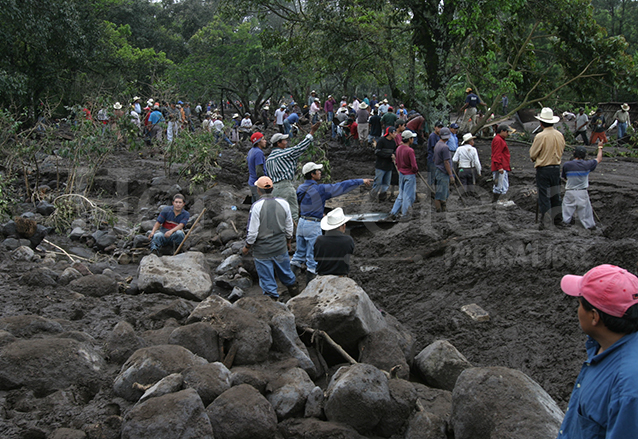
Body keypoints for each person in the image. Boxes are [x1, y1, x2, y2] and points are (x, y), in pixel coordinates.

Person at [558, 264, 638, 438]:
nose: (577, 310)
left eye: (579, 304)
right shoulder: (604, 346)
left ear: (594, 316)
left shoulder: (629, 386)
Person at [291, 162, 371, 282]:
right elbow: (341, 186)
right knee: (312, 260)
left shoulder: (301, 188)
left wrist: (317, 211)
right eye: (317, 171)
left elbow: (306, 203)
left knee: (298, 255)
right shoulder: (320, 189)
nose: (320, 172)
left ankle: (289, 282)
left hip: (302, 223)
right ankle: (309, 289)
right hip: (313, 224)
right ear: (312, 174)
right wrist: (360, 181)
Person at [242, 177, 299, 300]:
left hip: (262, 251)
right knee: (286, 272)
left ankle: (272, 301)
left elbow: (252, 232)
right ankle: (295, 293)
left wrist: (247, 247)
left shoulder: (256, 206)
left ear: (258, 190)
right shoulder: (283, 203)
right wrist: (288, 242)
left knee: (267, 278)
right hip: (280, 246)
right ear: (272, 189)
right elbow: (289, 227)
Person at [265, 122, 321, 223]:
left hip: (274, 189)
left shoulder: (268, 159)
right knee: (292, 213)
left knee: (279, 214)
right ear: (278, 143)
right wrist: (312, 132)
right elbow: (300, 148)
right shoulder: (284, 154)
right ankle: (293, 235)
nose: (286, 142)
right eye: (284, 140)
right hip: (285, 187)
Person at [530, 107, 565, 229]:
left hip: (544, 169)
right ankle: (558, 220)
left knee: (544, 196)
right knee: (556, 195)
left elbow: (533, 154)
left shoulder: (540, 136)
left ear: (541, 123)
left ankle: (546, 221)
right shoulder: (560, 135)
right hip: (556, 168)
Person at [561, 142, 603, 229]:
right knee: (586, 212)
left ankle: (564, 224)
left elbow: (565, 177)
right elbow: (599, 159)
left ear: (574, 154)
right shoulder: (588, 164)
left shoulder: (567, 165)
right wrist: (600, 147)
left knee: (566, 210)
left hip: (570, 191)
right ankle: (590, 226)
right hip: (582, 192)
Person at [314, 208, 356, 277]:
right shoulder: (348, 240)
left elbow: (316, 258)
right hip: (341, 277)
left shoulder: (319, 240)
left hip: (322, 276)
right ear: (343, 226)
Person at [390, 130, 418, 220]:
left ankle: (394, 212)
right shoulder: (410, 150)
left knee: (401, 195)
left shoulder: (398, 148)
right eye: (412, 138)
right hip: (409, 174)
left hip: (401, 174)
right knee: (408, 196)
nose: (413, 139)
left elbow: (397, 162)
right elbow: (414, 165)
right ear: (409, 139)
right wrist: (415, 170)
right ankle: (405, 214)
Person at [370, 127, 397, 201]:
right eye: (394, 133)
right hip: (381, 166)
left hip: (389, 166)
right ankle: (373, 196)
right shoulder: (382, 141)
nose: (396, 134)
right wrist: (389, 156)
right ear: (390, 133)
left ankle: (382, 197)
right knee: (378, 182)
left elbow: (395, 151)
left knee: (386, 183)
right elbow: (377, 152)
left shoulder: (393, 142)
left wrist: (394, 155)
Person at [433, 127, 455, 212]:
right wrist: (451, 175)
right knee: (442, 194)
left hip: (438, 170)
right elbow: (446, 162)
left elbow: (435, 159)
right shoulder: (445, 147)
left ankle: (441, 210)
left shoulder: (437, 145)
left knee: (441, 192)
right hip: (443, 172)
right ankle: (440, 211)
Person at [491, 124, 513, 203]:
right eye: (507, 132)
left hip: (501, 166)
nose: (508, 133)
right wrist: (499, 166)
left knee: (501, 185)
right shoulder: (498, 140)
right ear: (502, 131)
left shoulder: (499, 139)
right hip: (500, 167)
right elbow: (497, 154)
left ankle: (496, 201)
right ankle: (500, 201)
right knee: (501, 186)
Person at [247, 132, 268, 203]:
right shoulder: (259, 153)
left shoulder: (251, 151)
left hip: (252, 182)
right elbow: (259, 170)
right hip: (257, 184)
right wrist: (265, 183)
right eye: (263, 139)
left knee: (255, 204)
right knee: (261, 204)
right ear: (258, 142)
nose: (265, 141)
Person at [427, 122, 444, 188]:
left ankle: (436, 192)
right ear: (435, 127)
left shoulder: (439, 136)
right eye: (438, 127)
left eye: (441, 127)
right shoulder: (433, 136)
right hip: (432, 159)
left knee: (437, 177)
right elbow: (435, 148)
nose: (440, 129)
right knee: (432, 177)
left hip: (437, 159)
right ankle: (430, 191)